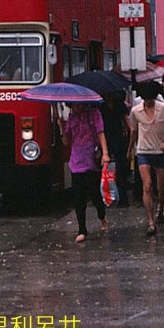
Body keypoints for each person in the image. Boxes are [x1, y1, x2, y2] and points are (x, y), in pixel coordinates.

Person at [127, 81, 164, 237]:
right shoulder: (135, 111)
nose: (148, 102)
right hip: (143, 151)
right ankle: (150, 222)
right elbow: (133, 131)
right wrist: (130, 149)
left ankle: (160, 207)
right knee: (147, 185)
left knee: (161, 188)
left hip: (160, 152)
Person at [59, 103, 110, 243]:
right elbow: (66, 142)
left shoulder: (94, 114)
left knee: (95, 194)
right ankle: (82, 229)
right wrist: (61, 127)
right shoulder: (71, 118)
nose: (74, 108)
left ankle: (102, 216)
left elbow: (101, 133)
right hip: (76, 162)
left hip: (92, 160)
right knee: (79, 198)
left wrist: (105, 153)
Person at [99, 90, 131, 207]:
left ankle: (114, 197)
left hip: (114, 139)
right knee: (115, 168)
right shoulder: (115, 103)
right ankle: (116, 196)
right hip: (111, 139)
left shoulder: (103, 104)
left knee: (115, 169)